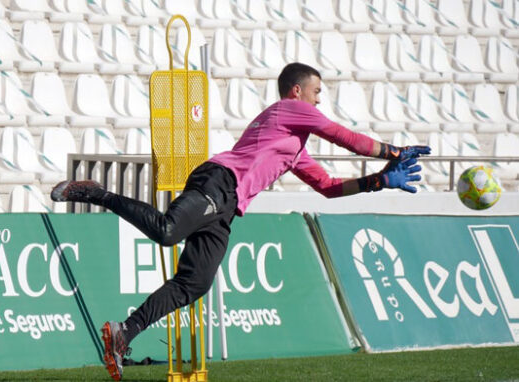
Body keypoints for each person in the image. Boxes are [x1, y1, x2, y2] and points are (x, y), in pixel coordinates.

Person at [50, 62, 430, 381]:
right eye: (317, 92)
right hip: (219, 181)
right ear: (296, 91)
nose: (319, 100)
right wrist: (392, 151)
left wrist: (378, 181)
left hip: (227, 206)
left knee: (195, 283)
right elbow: (341, 136)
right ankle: (95, 192)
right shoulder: (288, 110)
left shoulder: (293, 144)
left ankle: (124, 332)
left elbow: (327, 188)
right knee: (167, 231)